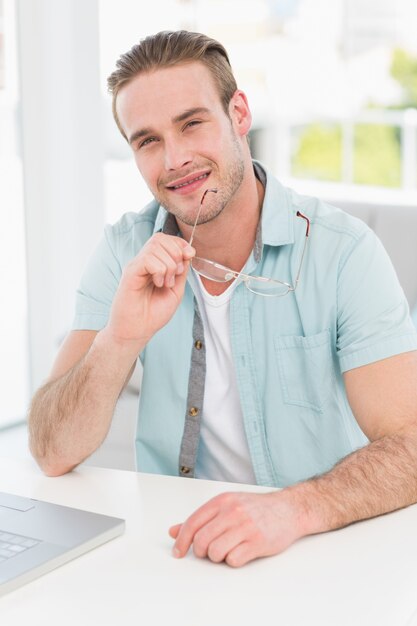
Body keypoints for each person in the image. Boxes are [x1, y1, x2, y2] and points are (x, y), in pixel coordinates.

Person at [29, 30, 417, 568]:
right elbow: (51, 451)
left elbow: (411, 446)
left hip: (319, 549)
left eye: (192, 123)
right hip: (178, 555)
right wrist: (119, 339)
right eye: (148, 140)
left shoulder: (342, 253)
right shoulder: (124, 249)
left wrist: (292, 510)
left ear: (238, 113)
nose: (176, 158)